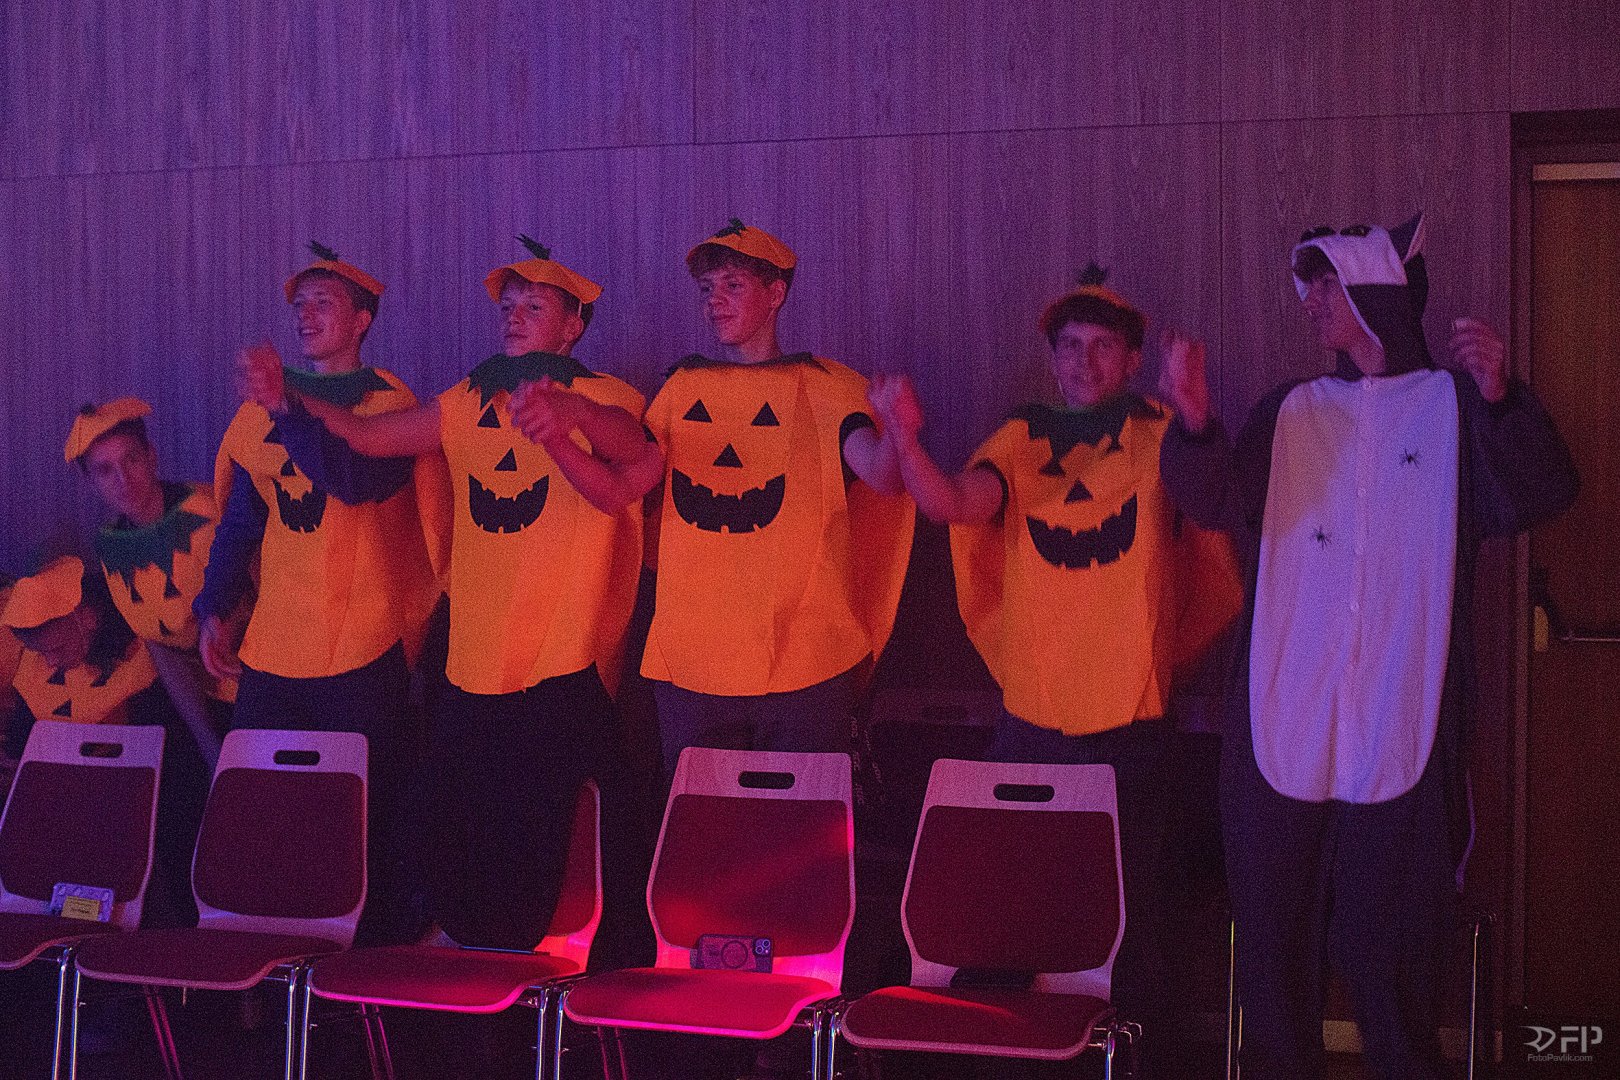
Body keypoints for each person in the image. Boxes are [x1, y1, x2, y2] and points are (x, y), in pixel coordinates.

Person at [1157, 214, 1579, 1080]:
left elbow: (1542, 489)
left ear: (1375, 291)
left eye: (1327, 284)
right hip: (1285, 709)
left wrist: (1502, 398)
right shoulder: (1290, 410)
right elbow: (1216, 499)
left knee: (1391, 939)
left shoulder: (1453, 408)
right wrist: (1196, 421)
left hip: (1403, 709)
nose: (1310, 302)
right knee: (1275, 930)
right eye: (1308, 285)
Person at [867, 266, 1241, 1074]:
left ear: (1132, 359)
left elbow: (1217, 509)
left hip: (1131, 725)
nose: (1083, 361)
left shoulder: (1162, 435)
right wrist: (904, 438)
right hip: (1031, 720)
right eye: (1070, 346)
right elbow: (951, 504)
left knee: (1131, 924)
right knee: (1023, 911)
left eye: (1102, 346)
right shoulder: (1019, 439)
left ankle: (1134, 1063)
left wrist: (1195, 414)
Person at [245, 238, 655, 949]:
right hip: (472, 659)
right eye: (509, 306)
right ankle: (461, 955)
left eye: (534, 306)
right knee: (456, 820)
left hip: (563, 658)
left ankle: (551, 967)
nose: (515, 316)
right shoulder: (467, 398)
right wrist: (288, 396)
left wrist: (572, 418)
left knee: (563, 828)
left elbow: (632, 454)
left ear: (572, 326)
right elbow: (369, 436)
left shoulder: (607, 395)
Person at [196, 241, 442, 943]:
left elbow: (354, 481)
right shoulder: (260, 413)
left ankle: (372, 965)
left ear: (362, 320)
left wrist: (288, 406)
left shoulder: (387, 404)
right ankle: (262, 959)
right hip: (276, 645)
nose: (306, 315)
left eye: (323, 302)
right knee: (264, 809)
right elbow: (244, 519)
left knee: (364, 819)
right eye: (300, 305)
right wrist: (217, 607)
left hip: (362, 647)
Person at [636, 219, 913, 778]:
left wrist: (902, 432)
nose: (715, 300)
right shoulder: (681, 390)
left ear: (776, 293)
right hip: (690, 660)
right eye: (708, 288)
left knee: (802, 820)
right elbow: (634, 488)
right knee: (701, 821)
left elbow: (882, 476)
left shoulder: (828, 387)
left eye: (733, 285)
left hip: (806, 662)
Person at [66, 396, 236, 771]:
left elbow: (251, 598)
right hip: (193, 693)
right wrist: (206, 740)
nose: (123, 479)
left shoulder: (205, 510)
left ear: (151, 457)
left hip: (253, 675)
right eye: (105, 470)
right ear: (91, 482)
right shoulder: (112, 548)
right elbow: (160, 643)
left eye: (131, 459)